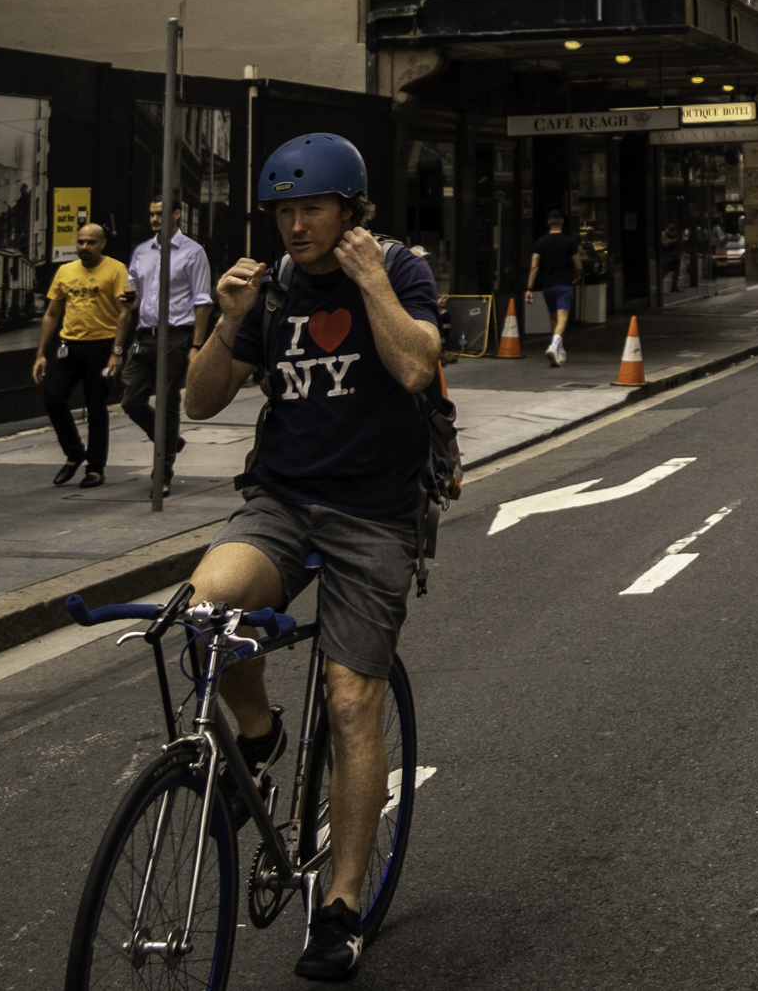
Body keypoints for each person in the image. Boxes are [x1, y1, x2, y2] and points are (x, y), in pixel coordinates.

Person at [183, 132, 442, 980]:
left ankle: (339, 904)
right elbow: (200, 399)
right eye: (285, 212)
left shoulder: (399, 269)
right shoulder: (273, 289)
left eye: (313, 210)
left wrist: (370, 282)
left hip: (373, 516)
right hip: (282, 503)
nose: (296, 227)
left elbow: (415, 370)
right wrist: (228, 320)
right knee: (206, 612)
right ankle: (257, 738)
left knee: (350, 700)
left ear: (350, 210)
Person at [116, 197, 214, 485]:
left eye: (160, 213)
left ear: (177, 214)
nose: (155, 219)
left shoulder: (193, 253)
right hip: (145, 335)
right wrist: (130, 300)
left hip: (177, 336)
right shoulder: (141, 252)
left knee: (168, 401)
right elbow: (134, 295)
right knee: (131, 400)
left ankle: (163, 473)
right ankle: (171, 441)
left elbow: (203, 302)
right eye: (151, 214)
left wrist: (196, 346)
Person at [35, 223, 129, 489]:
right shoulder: (65, 271)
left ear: (102, 244)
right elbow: (52, 314)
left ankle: (96, 468)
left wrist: (116, 353)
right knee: (53, 398)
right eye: (80, 242)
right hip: (69, 347)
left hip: (101, 348)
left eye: (90, 242)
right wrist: (41, 353)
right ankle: (75, 453)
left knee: (96, 407)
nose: (84, 247)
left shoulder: (116, 270)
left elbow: (124, 312)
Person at [526, 213, 581, 366]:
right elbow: (578, 265)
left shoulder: (540, 243)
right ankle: (553, 346)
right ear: (562, 222)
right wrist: (577, 276)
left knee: (553, 318)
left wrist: (529, 288)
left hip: (547, 286)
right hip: (564, 285)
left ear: (548, 222)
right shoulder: (570, 242)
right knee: (563, 319)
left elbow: (534, 266)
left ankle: (560, 351)